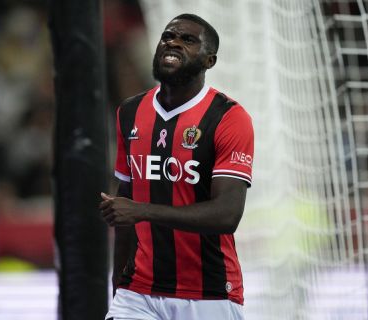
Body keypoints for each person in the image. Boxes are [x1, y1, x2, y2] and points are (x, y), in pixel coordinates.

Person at [100, 13, 254, 320]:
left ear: (209, 60)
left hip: (208, 293)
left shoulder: (229, 117)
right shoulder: (130, 112)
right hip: (138, 292)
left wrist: (142, 210)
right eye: (168, 36)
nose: (173, 43)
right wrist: (119, 288)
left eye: (188, 40)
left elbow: (227, 214)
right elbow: (125, 206)